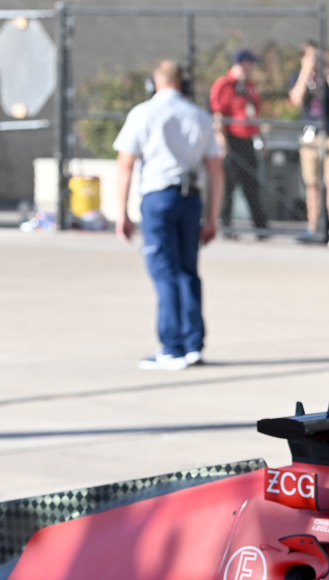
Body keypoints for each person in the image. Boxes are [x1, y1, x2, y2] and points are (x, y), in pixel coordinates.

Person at [114, 60, 224, 370]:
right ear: (183, 84)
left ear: (155, 84)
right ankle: (192, 345)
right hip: (190, 200)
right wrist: (213, 217)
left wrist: (121, 212)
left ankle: (172, 347)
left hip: (158, 197)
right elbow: (216, 170)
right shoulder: (199, 116)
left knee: (164, 272)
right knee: (187, 272)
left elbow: (126, 165)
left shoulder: (143, 113)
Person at [288, 41, 329, 249]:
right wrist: (306, 72)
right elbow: (295, 99)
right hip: (309, 136)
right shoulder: (298, 75)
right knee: (311, 183)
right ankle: (312, 227)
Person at [209, 49, 269, 236]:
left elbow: (254, 116)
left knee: (251, 184)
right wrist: (222, 142)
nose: (252, 68)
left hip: (248, 140)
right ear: (243, 63)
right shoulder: (224, 85)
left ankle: (261, 227)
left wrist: (261, 139)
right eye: (250, 64)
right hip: (231, 141)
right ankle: (226, 226)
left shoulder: (249, 87)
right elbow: (218, 115)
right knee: (229, 185)